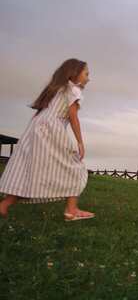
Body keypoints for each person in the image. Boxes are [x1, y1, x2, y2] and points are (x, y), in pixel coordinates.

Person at [0, 58, 94, 221]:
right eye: (86, 73)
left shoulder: (57, 89)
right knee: (75, 167)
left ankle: (4, 205)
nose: (88, 77)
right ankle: (71, 210)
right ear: (75, 74)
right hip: (51, 129)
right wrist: (80, 142)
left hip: (36, 128)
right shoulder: (74, 90)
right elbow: (73, 116)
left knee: (31, 171)